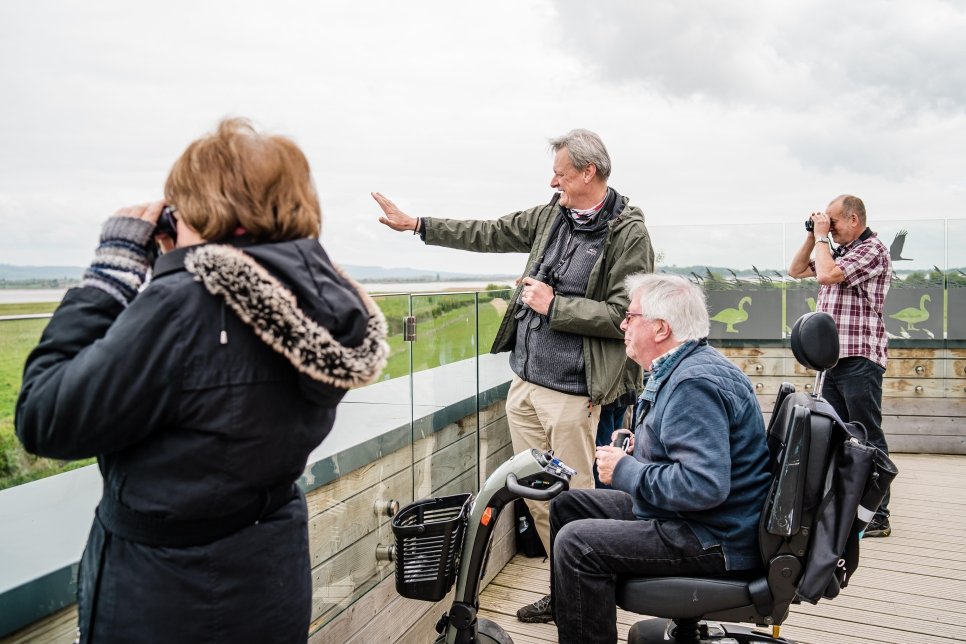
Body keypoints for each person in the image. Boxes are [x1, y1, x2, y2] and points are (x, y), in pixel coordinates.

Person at [15, 118, 389, 643]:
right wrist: (179, 261)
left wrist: (111, 274)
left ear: (198, 207)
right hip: (268, 571)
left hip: (173, 595)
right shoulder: (314, 296)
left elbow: (44, 417)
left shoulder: (184, 307)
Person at [373, 129, 654, 559]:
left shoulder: (628, 234)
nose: (552, 183)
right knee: (536, 499)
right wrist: (417, 225)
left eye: (559, 174)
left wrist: (554, 305)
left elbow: (623, 315)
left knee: (575, 501)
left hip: (573, 394)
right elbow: (491, 232)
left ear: (587, 173)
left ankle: (585, 591)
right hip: (524, 386)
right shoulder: (552, 215)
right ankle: (563, 586)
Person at [520, 273, 771, 640]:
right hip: (702, 520)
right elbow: (692, 451)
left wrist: (625, 471)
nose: (622, 323)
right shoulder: (689, 367)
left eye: (631, 316)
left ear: (660, 329)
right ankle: (575, 620)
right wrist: (645, 447)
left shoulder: (693, 385)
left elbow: (703, 486)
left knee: (578, 543)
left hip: (714, 538)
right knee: (569, 506)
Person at [788, 194, 893, 537]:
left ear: (853, 220)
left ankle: (878, 514)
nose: (828, 228)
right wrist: (811, 235)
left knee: (866, 433)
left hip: (860, 356)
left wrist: (821, 238)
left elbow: (827, 275)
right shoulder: (841, 250)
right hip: (833, 360)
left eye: (833, 222)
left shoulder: (872, 249)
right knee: (837, 434)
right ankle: (844, 507)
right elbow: (797, 269)